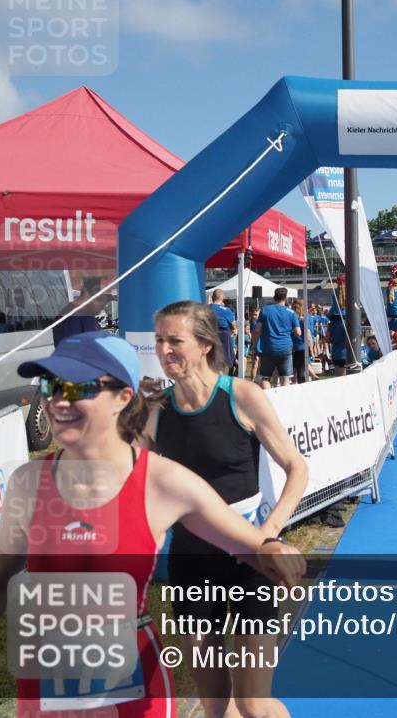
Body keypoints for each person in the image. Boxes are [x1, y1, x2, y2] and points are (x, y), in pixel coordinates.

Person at [0, 331, 304, 717]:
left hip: (132, 693)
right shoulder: (27, 483)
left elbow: (254, 545)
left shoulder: (163, 481)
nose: (58, 399)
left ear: (123, 398)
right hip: (46, 686)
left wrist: (273, 550)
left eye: (78, 388)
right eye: (51, 385)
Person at [143, 301, 310, 718]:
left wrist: (268, 535)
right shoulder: (155, 409)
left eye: (174, 340)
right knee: (216, 703)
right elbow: (131, 479)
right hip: (192, 561)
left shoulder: (242, 396)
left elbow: (297, 468)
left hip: (252, 560)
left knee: (254, 702)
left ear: (204, 344)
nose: (164, 350)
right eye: (159, 340)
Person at [250, 288, 304, 388]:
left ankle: (268, 396)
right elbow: (298, 332)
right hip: (285, 348)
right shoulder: (291, 313)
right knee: (285, 378)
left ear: (274, 297)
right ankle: (284, 397)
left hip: (268, 348)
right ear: (286, 298)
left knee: (266, 377)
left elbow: (257, 330)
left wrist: (254, 346)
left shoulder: (266, 310)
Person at [53, 277, 107, 345]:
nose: (103, 304)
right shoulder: (71, 319)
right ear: (86, 294)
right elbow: (70, 349)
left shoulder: (86, 315)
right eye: (100, 298)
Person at [209, 288, 237, 373]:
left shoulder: (205, 308)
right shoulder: (226, 310)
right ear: (222, 298)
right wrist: (234, 330)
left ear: (212, 297)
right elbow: (234, 326)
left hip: (209, 336)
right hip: (223, 338)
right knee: (224, 363)